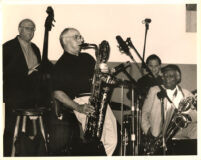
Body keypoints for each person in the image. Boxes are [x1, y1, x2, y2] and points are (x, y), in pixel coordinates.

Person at [48, 28, 117, 156]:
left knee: (112, 140)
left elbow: (98, 77)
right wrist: (78, 107)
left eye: (80, 36)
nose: (82, 39)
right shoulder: (61, 65)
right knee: (97, 141)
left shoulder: (87, 57)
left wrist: (105, 72)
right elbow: (57, 93)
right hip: (82, 102)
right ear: (66, 41)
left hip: (99, 99)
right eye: (77, 37)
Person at [3, 19, 47, 156]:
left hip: (32, 95)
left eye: (33, 29)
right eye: (28, 28)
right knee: (11, 130)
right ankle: (8, 154)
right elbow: (5, 72)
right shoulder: (7, 47)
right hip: (15, 95)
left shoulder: (35, 48)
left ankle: (31, 153)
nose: (31, 32)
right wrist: (26, 72)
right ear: (19, 29)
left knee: (31, 131)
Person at [141, 64, 197, 155]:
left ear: (177, 78)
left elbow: (196, 117)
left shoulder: (187, 94)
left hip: (179, 130)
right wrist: (147, 130)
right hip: (158, 131)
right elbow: (144, 113)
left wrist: (189, 114)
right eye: (165, 75)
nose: (166, 78)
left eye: (170, 76)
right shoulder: (154, 90)